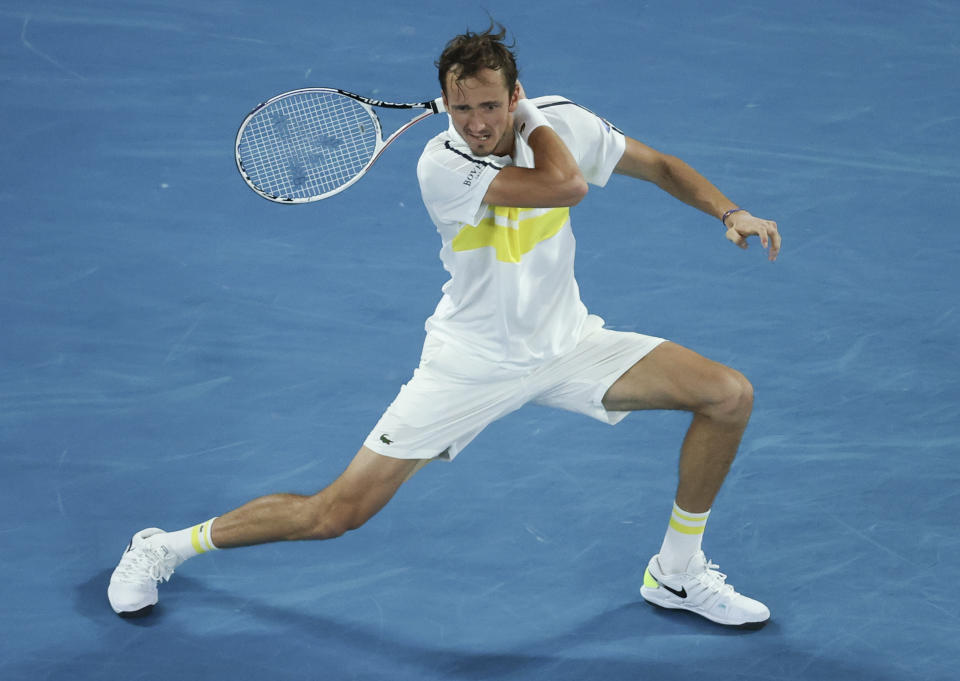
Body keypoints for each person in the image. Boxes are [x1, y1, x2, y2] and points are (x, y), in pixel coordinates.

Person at [108, 24, 781, 629]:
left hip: (569, 342)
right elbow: (567, 185)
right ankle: (164, 545)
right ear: (446, 106)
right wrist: (531, 116)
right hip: (472, 363)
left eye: (491, 105)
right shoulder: (443, 163)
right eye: (462, 108)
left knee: (728, 395)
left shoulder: (559, 120)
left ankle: (677, 572)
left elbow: (657, 164)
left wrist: (729, 213)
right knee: (335, 512)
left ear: (513, 93)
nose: (477, 123)